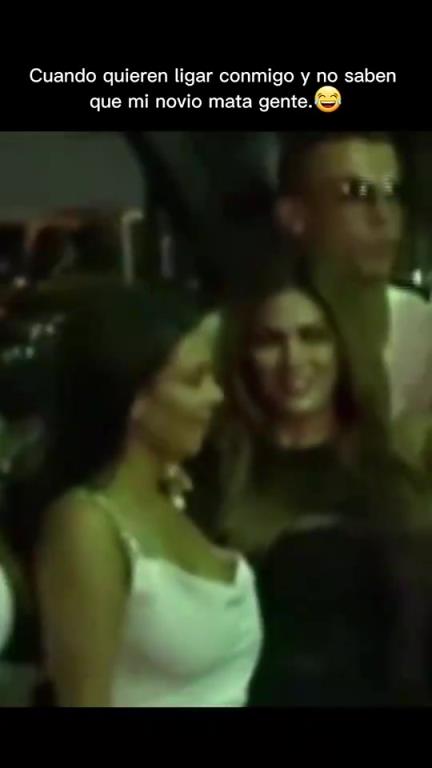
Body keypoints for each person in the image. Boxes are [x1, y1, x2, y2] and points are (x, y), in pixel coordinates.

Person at [35, 284, 262, 708]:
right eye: (195, 380)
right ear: (135, 400)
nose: (216, 396)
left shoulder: (180, 498)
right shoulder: (87, 524)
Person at [218, 261, 432, 706]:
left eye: (312, 336)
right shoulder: (222, 479)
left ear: (342, 348)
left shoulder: (393, 470)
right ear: (245, 357)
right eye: (270, 341)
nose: (293, 359)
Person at [275, 131, 432, 428]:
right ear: (295, 216)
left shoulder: (423, 330)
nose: (382, 215)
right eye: (355, 193)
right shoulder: (245, 340)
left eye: (391, 193)